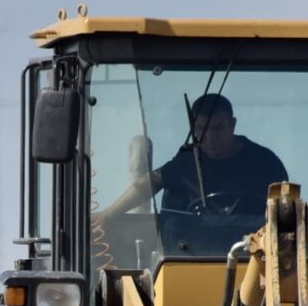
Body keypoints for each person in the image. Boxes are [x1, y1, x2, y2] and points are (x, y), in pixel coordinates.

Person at [98, 92, 291, 226]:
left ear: (232, 125)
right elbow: (150, 182)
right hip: (190, 255)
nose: (209, 139)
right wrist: (108, 214)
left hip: (252, 257)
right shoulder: (187, 162)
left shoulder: (265, 163)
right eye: (200, 130)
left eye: (218, 129)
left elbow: (286, 213)